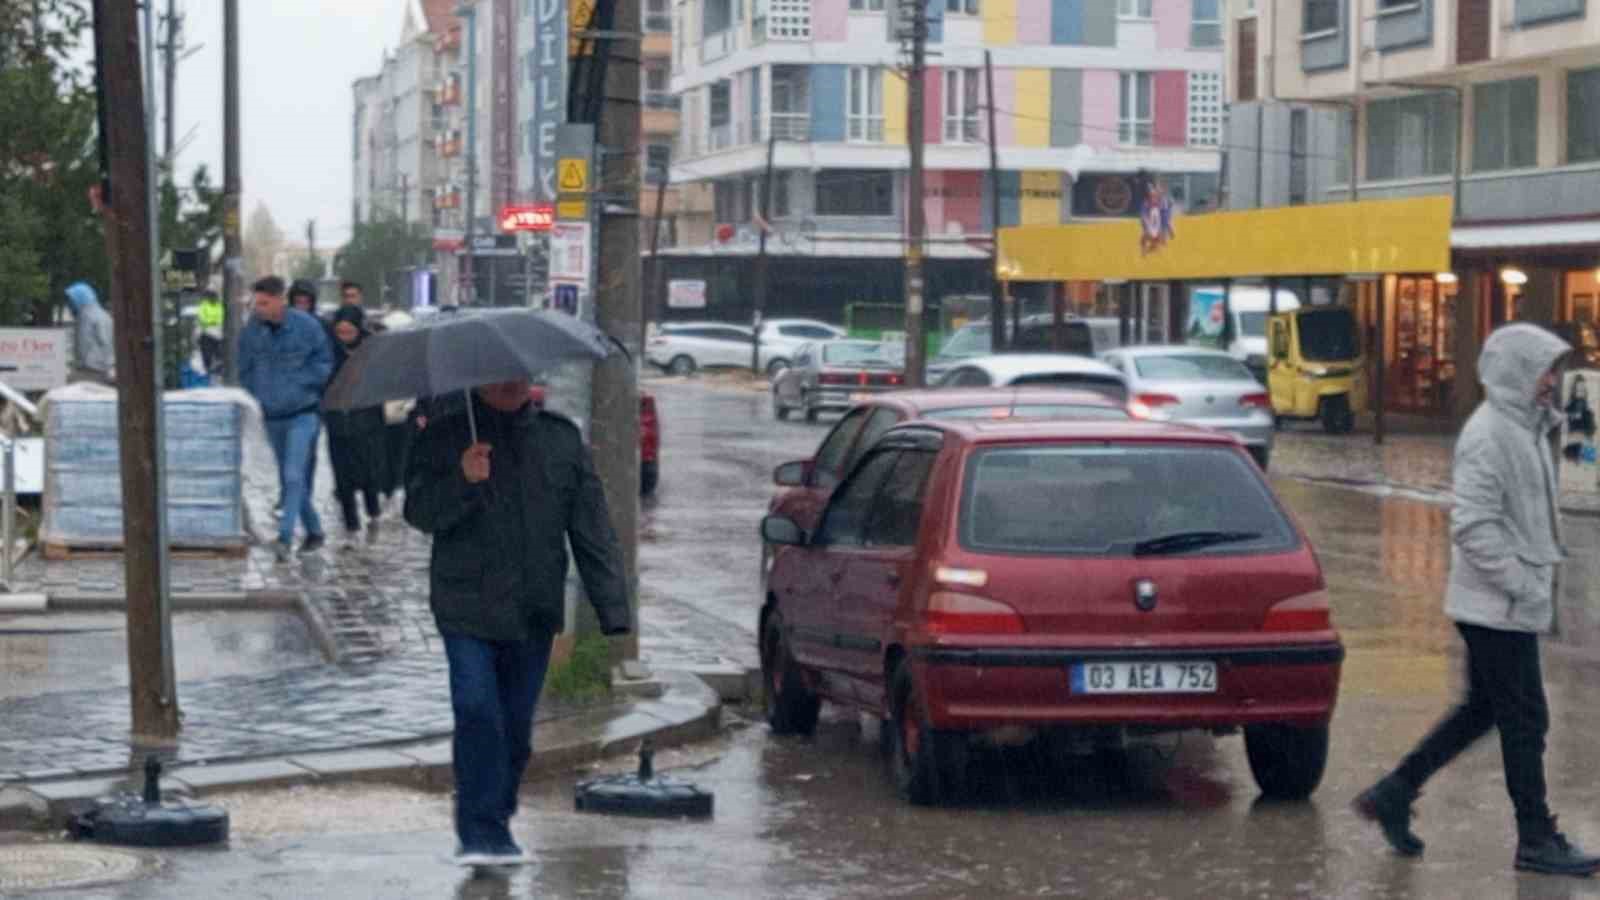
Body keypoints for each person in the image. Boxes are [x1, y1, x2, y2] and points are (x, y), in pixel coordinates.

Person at [1355, 323, 1600, 878]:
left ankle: (1395, 791)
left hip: (1504, 605)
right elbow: (1474, 526)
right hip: (1496, 608)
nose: (1552, 382)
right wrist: (1521, 582)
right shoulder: (1488, 435)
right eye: (1544, 371)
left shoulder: (1524, 428)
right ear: (1516, 373)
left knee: (1483, 711)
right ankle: (1536, 839)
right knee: (1525, 719)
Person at [404, 379, 631, 866]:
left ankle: (496, 815)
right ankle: (480, 833)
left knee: (515, 729)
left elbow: (591, 528)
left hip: (533, 609)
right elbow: (419, 513)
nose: (509, 382)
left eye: (518, 372)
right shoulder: (445, 434)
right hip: (465, 605)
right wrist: (463, 479)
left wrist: (613, 608)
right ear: (479, 378)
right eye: (498, 373)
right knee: (476, 709)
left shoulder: (560, 439)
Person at [239, 275, 334, 563]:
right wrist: (257, 395)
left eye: (265, 303)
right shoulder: (252, 332)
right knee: (290, 478)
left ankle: (284, 536)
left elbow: (324, 364)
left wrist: (300, 383)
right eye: (256, 303)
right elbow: (244, 368)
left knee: (293, 475)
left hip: (303, 413)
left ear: (281, 299)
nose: (259, 308)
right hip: (272, 416)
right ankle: (315, 530)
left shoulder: (307, 327)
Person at [324, 306, 387, 543]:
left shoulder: (373, 348)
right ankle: (351, 521)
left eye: (349, 331)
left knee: (369, 468)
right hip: (338, 418)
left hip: (368, 418)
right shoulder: (329, 350)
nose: (345, 336)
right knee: (342, 473)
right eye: (340, 332)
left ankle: (373, 508)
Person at [64, 282, 115, 384]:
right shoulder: (103, 314)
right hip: (105, 368)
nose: (69, 304)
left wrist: (76, 366)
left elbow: (83, 344)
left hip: (89, 370)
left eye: (71, 300)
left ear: (79, 298)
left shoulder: (85, 316)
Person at [196, 292, 224, 375]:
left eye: (215, 298)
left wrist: (213, 322)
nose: (214, 300)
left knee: (218, 352)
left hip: (217, 333)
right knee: (207, 353)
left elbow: (221, 317)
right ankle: (207, 368)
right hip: (206, 332)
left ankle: (218, 367)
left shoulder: (219, 306)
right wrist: (211, 322)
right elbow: (202, 318)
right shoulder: (203, 306)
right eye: (212, 298)